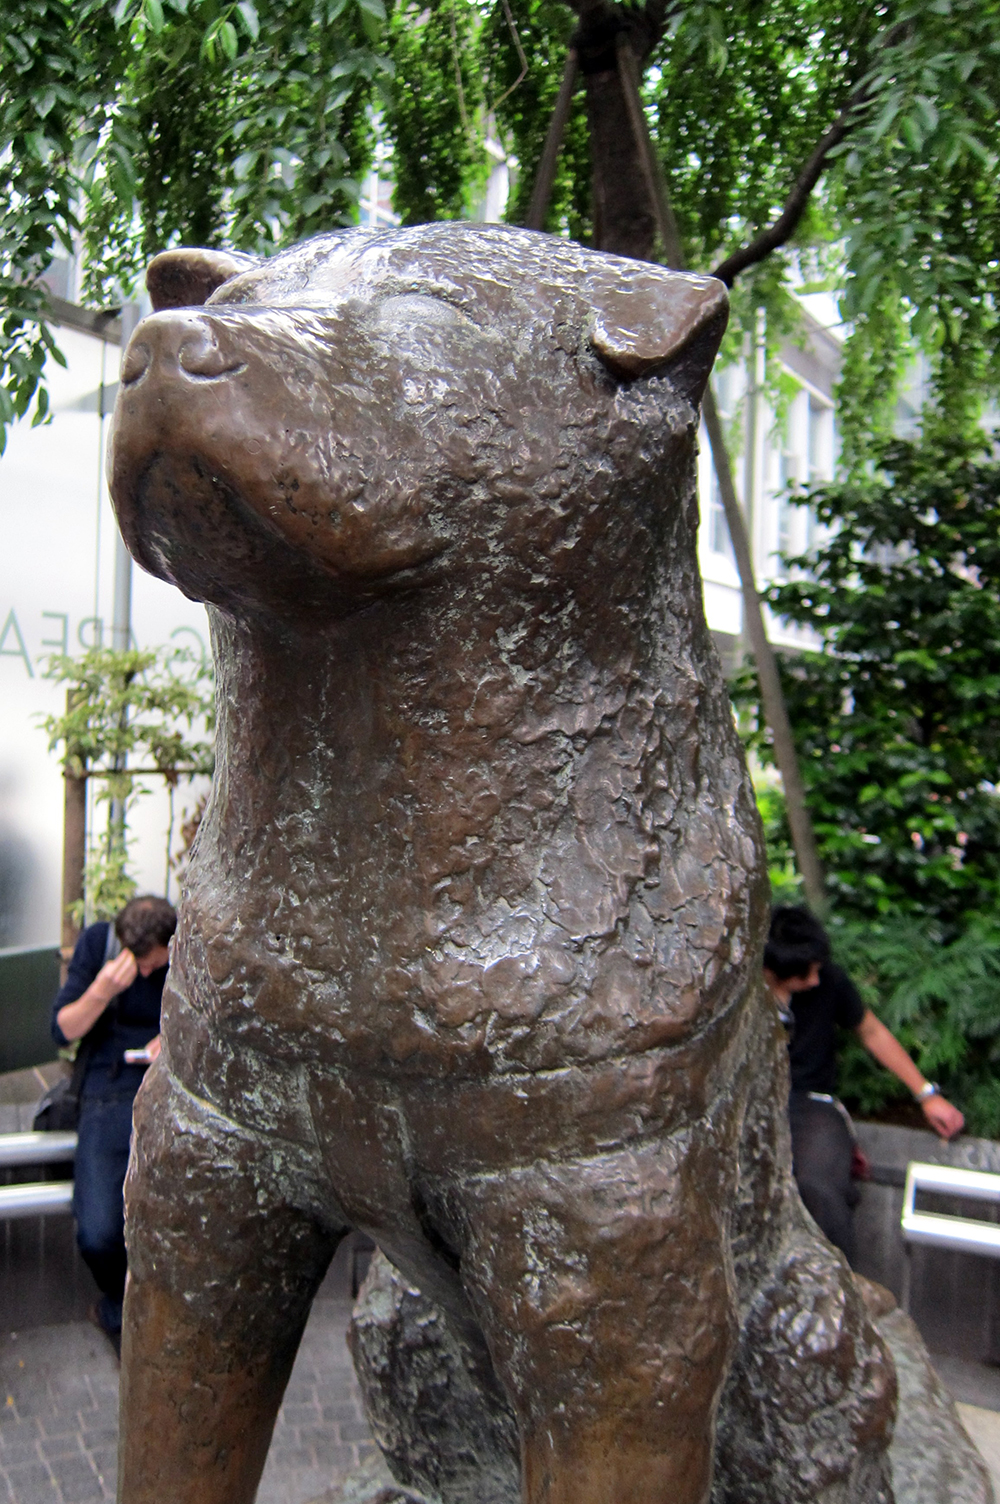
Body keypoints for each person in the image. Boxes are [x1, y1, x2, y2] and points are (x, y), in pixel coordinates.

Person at [764, 905, 964, 1267]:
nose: (814, 979)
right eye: (803, 973)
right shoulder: (737, 992)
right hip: (754, 1101)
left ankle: (839, 1288)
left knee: (817, 1183)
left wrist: (926, 1094)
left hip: (812, 1102)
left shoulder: (828, 981)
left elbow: (871, 1032)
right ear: (769, 970)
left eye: (817, 968)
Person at [52, 894, 176, 1352]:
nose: (145, 972)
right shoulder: (99, 946)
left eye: (153, 964)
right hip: (108, 1090)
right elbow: (63, 1029)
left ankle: (155, 1313)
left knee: (175, 1217)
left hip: (167, 1089)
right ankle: (116, 1303)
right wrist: (102, 990)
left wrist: (174, 1039)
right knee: (100, 1231)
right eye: (139, 964)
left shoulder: (186, 951)